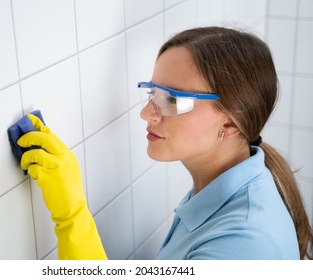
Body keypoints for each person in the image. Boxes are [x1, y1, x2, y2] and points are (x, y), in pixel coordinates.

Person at [16, 26, 313, 260]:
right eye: (152, 93)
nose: (146, 113)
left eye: (172, 99)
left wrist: (71, 216)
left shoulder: (243, 245)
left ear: (230, 123)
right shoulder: (219, 187)